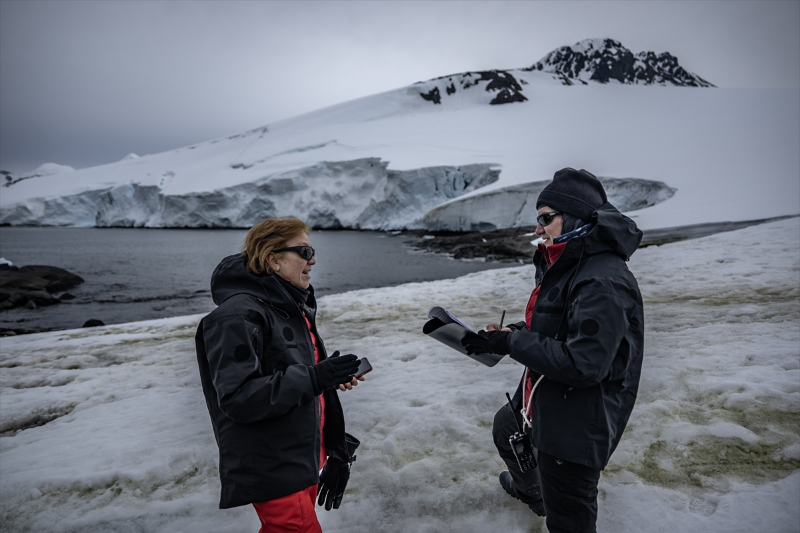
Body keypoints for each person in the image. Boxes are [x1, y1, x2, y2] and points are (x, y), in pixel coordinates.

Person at [461, 168, 645, 533]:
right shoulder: (572, 264)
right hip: (549, 396)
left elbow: (584, 363)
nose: (537, 229)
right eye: (537, 220)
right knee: (507, 425)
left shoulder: (602, 279)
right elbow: (562, 325)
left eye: (546, 218)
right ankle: (535, 493)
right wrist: (514, 331)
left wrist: (513, 343)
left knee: (570, 519)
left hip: (577, 425)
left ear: (574, 216)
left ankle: (552, 496)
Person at [195, 217, 365, 533]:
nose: (312, 259)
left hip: (302, 453)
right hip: (274, 461)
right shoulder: (236, 316)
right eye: (303, 251)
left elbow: (293, 375)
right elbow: (238, 398)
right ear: (273, 259)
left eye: (311, 250)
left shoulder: (288, 307)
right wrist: (315, 378)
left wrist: (327, 377)